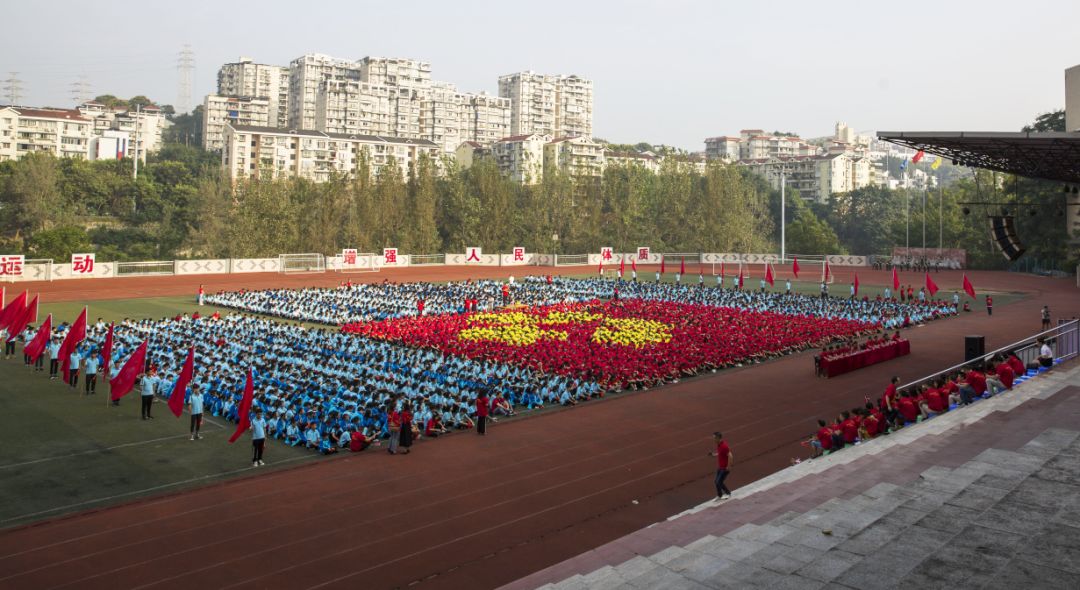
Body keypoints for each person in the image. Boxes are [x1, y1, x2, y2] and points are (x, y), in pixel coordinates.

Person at [711, 431, 733, 499]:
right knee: (717, 481)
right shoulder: (719, 445)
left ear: (718, 438)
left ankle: (727, 493)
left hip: (724, 468)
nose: (713, 439)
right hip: (720, 467)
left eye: (714, 438)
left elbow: (730, 456)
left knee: (718, 482)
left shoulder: (724, 446)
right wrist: (714, 455)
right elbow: (720, 453)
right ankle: (719, 495)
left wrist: (728, 466)